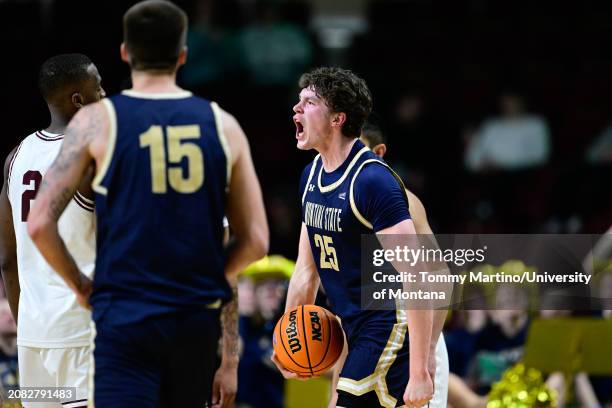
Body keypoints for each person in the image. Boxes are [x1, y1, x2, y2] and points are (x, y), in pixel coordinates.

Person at [27, 1, 268, 407]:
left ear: (125, 51)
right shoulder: (223, 124)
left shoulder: (96, 122)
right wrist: (202, 281)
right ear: (183, 55)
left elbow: (38, 224)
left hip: (125, 315)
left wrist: (83, 288)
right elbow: (256, 241)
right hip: (192, 319)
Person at [271, 67, 442, 408]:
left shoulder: (372, 181)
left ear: (337, 118)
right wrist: (286, 341)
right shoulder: (311, 176)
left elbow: (418, 274)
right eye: (298, 101)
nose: (297, 109)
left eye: (309, 102)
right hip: (353, 326)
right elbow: (306, 272)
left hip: (388, 323)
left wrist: (421, 368)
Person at [0, 53, 104, 408]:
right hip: (82, 333)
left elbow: (6, 259)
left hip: (32, 337)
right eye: (99, 88)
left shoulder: (15, 157)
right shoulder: (92, 155)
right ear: (79, 99)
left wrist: (27, 324)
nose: (105, 96)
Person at [360, 119, 449, 408]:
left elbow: (440, 276)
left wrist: (429, 353)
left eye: (358, 151)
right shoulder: (335, 202)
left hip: (416, 342)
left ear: (379, 152)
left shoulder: (404, 202)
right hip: (369, 338)